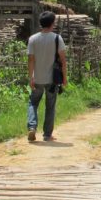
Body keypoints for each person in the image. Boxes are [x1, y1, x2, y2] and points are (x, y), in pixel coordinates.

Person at [27, 11, 67, 142]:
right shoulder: (57, 38)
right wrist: (65, 78)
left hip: (37, 78)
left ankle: (32, 127)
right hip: (52, 80)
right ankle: (47, 135)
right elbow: (63, 60)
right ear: (52, 23)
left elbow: (31, 60)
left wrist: (31, 77)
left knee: (33, 103)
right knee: (50, 106)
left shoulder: (33, 39)